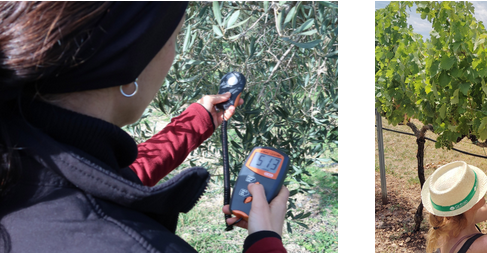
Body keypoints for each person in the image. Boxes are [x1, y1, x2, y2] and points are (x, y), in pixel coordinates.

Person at [0, 2, 286, 252]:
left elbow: (113, 179)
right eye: (174, 39)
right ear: (129, 65)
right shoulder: (135, 245)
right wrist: (266, 242)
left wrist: (198, 120)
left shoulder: (23, 156)